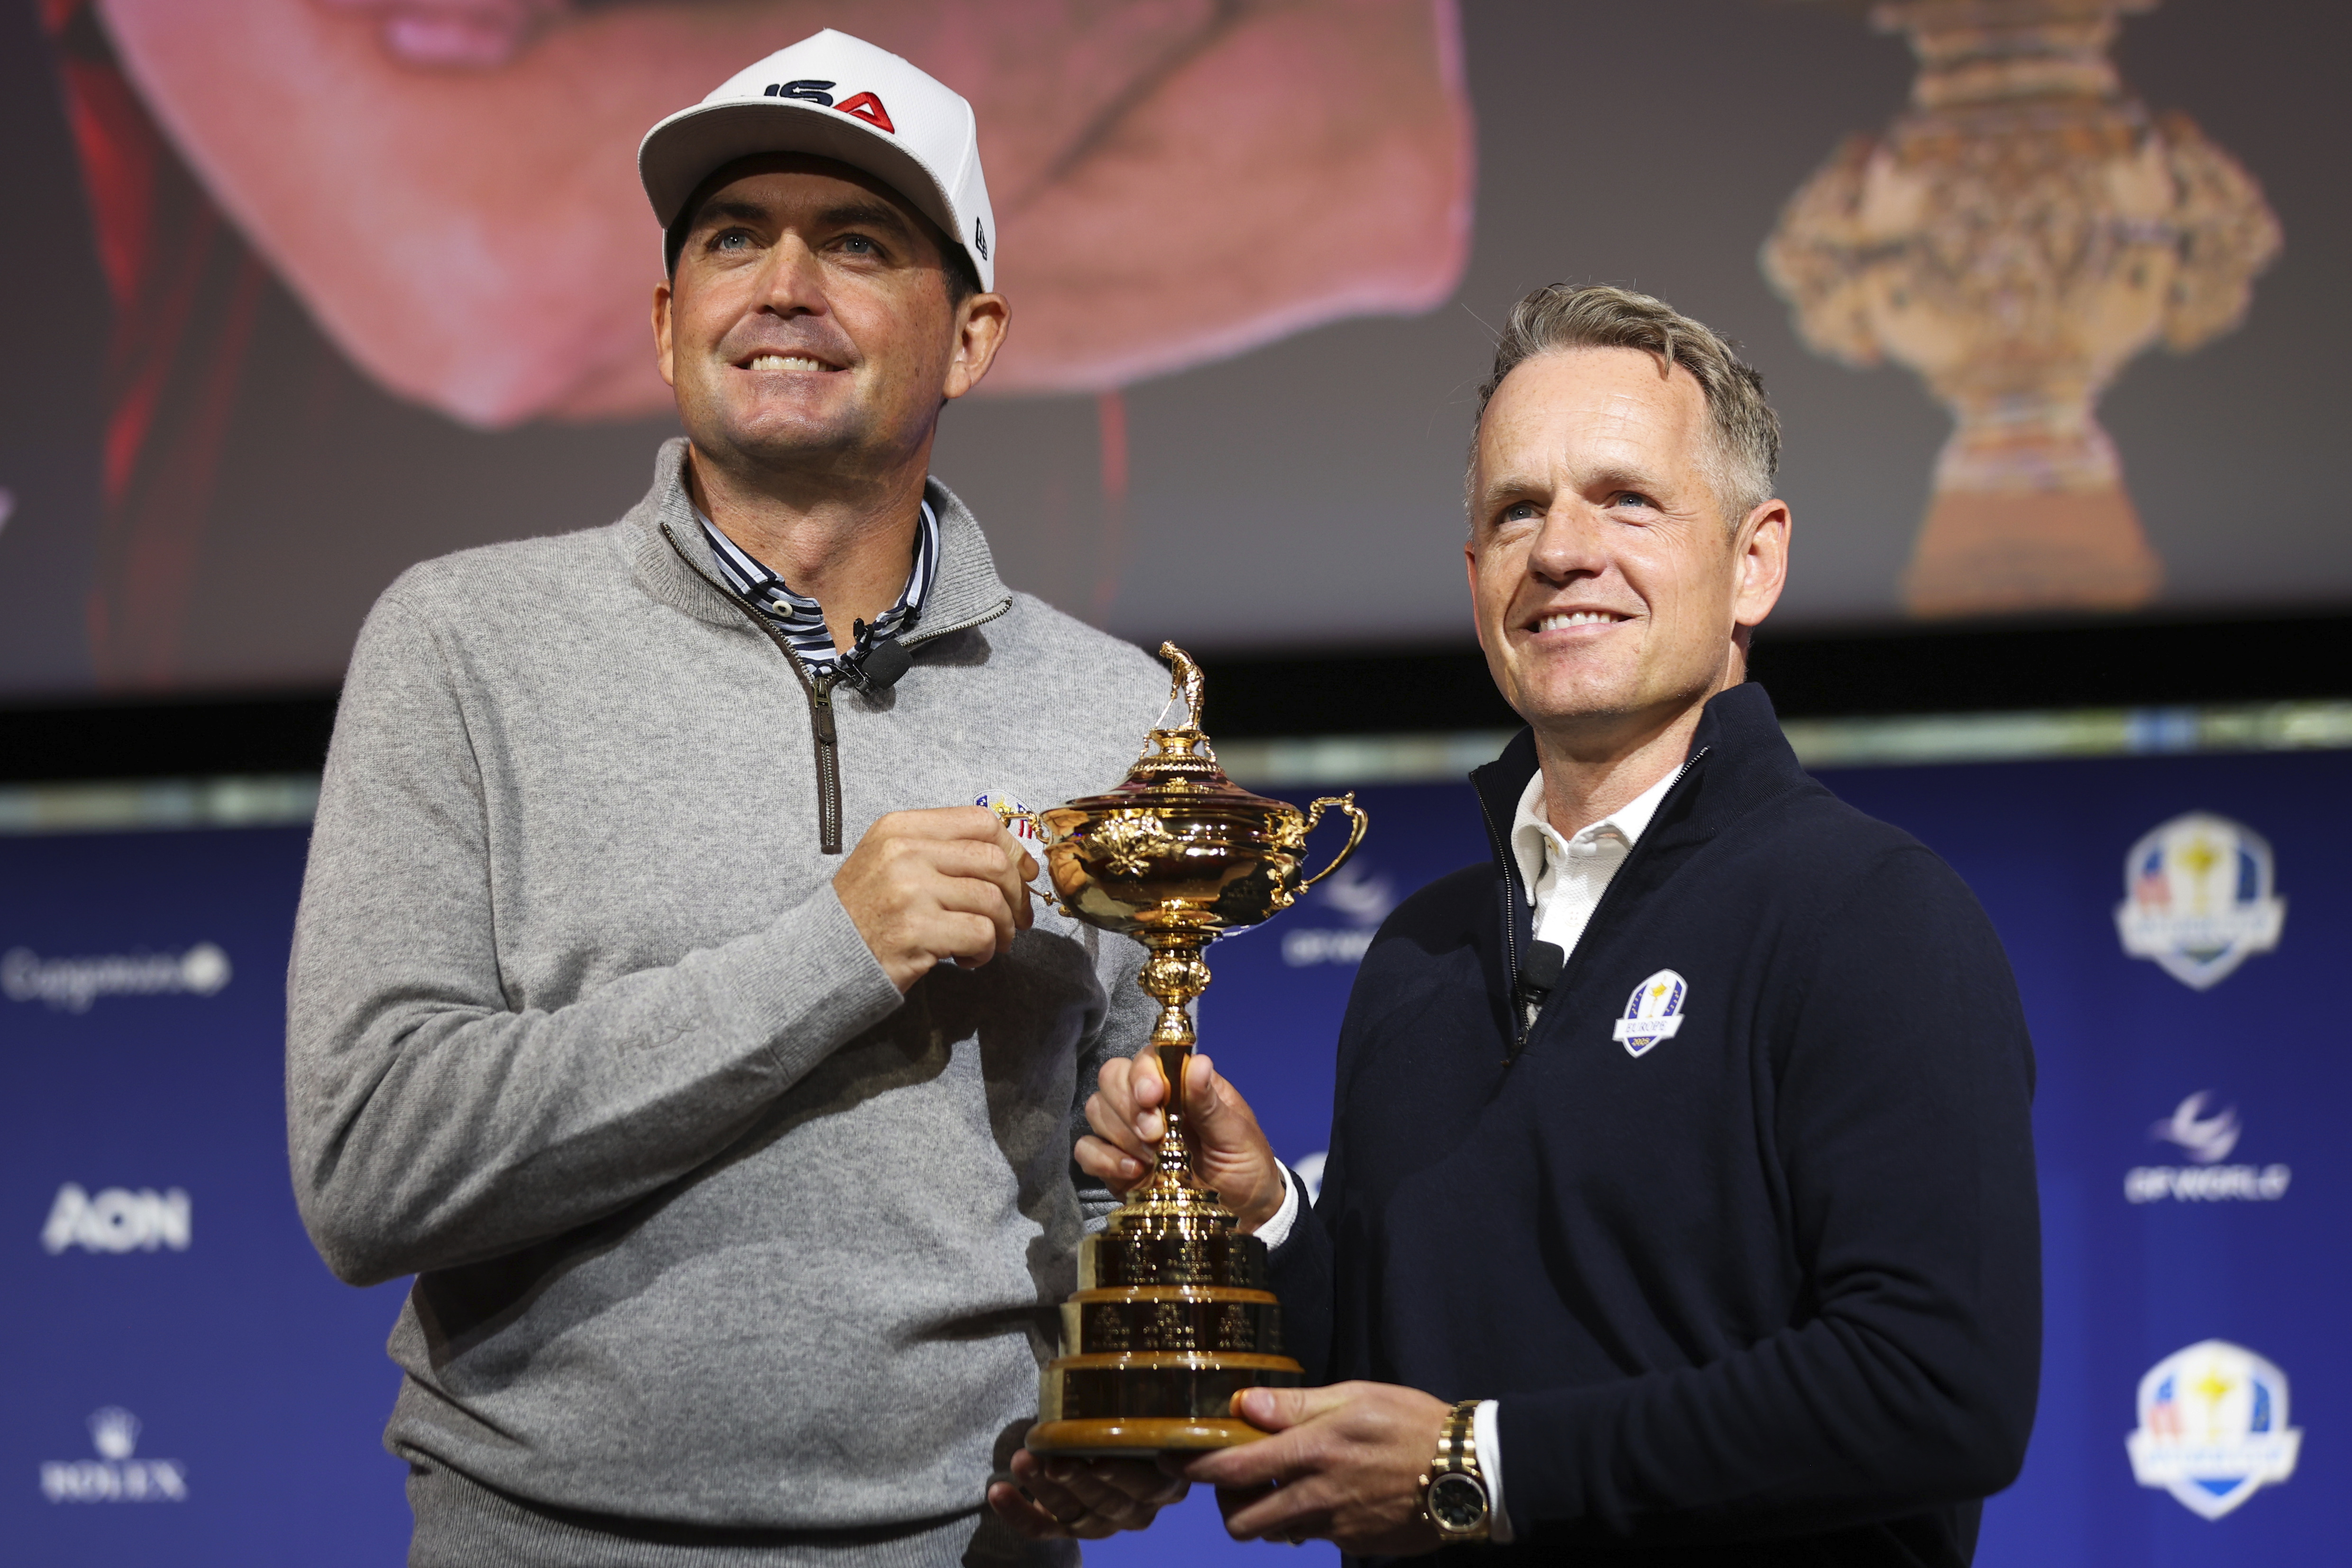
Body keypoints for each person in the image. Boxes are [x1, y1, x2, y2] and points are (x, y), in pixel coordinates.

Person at [287, 29, 1185, 1565]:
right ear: (666, 321)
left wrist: (1128, 1405)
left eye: (855, 242)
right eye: (730, 238)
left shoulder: (1118, 712)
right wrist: (834, 952)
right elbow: (372, 1165)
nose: (782, 285)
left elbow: (1107, 1177)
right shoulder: (462, 643)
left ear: (969, 337)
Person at [1073, 285, 2042, 1564]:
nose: (1562, 550)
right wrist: (1261, 1221)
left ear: (1754, 561)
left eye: (1625, 498)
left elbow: (1934, 1390)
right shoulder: (1419, 952)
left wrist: (1481, 1465)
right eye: (1515, 510)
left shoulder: (1870, 912)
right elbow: (1392, 1393)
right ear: (1476, 580)